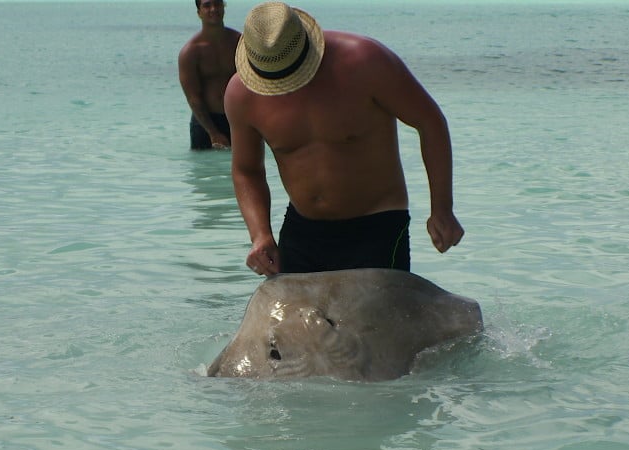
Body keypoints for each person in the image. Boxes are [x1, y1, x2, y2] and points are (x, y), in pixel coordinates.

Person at [224, 2, 464, 276]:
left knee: (380, 320)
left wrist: (442, 208)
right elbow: (247, 170)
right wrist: (260, 235)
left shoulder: (366, 61)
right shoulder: (241, 95)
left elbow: (430, 122)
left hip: (377, 228)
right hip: (302, 232)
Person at [179, 0, 242, 150]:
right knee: (205, 171)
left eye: (218, 4)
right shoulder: (191, 52)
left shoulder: (239, 43)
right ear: (199, 12)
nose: (213, 9)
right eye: (207, 5)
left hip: (237, 119)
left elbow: (255, 82)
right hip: (205, 123)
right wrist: (213, 132)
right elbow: (193, 97)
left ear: (224, 7)